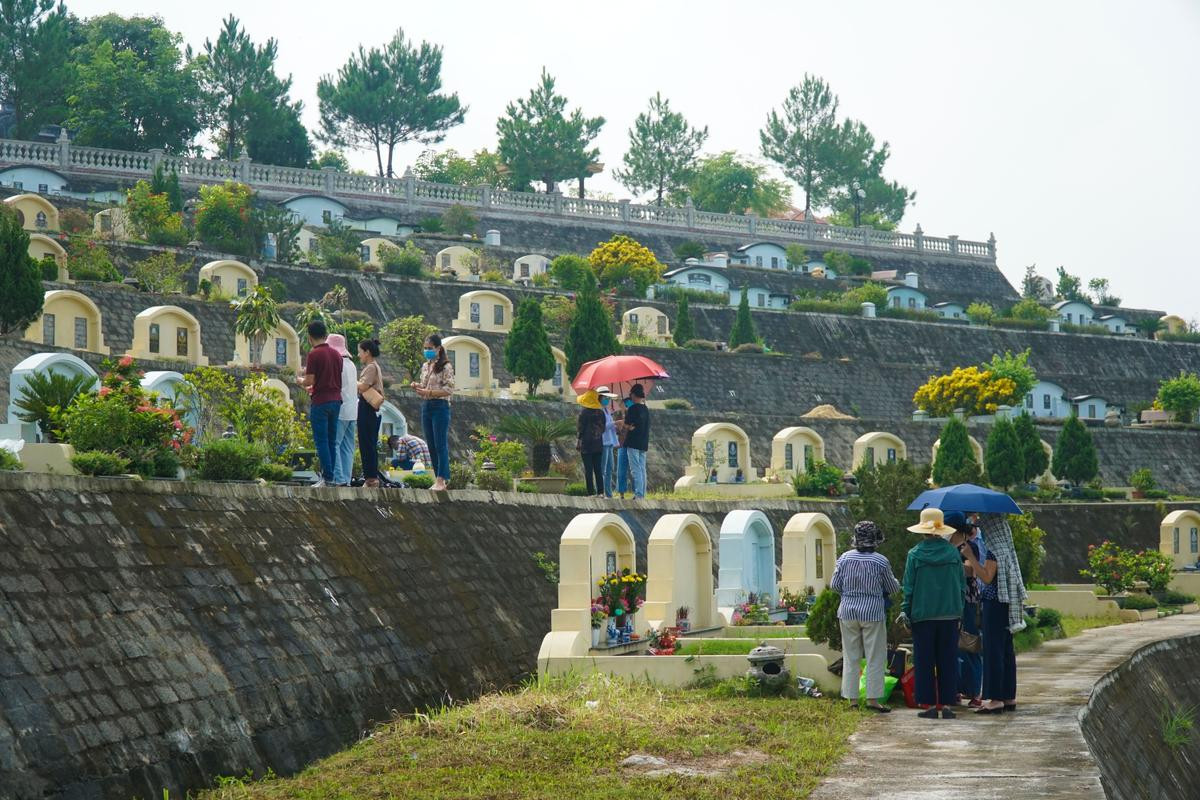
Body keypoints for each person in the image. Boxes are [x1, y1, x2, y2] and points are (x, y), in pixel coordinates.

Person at [899, 508, 965, 719]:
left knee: (924, 661)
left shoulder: (914, 554)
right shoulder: (953, 553)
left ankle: (927, 704)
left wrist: (906, 611)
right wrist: (959, 612)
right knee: (948, 660)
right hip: (949, 615)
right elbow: (961, 586)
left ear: (922, 530)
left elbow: (908, 587)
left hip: (923, 615)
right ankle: (946, 705)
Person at [957, 513, 1025, 714]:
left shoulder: (994, 551)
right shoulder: (1006, 549)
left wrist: (970, 556)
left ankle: (995, 699)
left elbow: (986, 577)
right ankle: (1007, 696)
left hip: (994, 604)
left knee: (993, 651)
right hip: (1004, 604)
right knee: (1005, 650)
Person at [830, 520, 901, 713]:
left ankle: (852, 700)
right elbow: (893, 587)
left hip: (848, 611)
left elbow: (834, 585)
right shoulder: (880, 561)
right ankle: (873, 700)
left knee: (851, 656)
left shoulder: (844, 558)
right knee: (875, 656)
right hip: (872, 612)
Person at [945, 511, 983, 709]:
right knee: (952, 647)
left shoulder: (969, 547)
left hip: (967, 602)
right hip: (950, 601)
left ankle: (975, 691)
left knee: (970, 644)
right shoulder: (945, 547)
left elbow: (971, 571)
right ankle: (956, 689)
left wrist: (949, 564)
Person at [299, 320, 342, 487]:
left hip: (321, 401)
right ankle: (332, 478)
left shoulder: (314, 354)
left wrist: (300, 380)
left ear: (310, 337)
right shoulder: (337, 354)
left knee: (321, 440)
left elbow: (310, 381)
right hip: (336, 400)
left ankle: (327, 477)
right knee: (332, 440)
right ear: (325, 335)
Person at [411, 334, 454, 491]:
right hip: (427, 406)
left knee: (440, 444)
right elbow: (424, 385)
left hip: (440, 406)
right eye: (425, 348)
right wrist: (417, 387)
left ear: (438, 348)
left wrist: (429, 392)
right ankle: (438, 478)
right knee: (431, 445)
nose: (427, 351)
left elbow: (448, 389)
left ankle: (442, 479)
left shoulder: (445, 366)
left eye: (430, 348)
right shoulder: (425, 366)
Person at [325, 334, 357, 487]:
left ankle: (338, 479)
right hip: (353, 411)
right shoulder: (351, 364)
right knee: (348, 447)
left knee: (335, 444)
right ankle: (346, 478)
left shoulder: (337, 364)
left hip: (340, 410)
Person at [356, 338, 385, 488]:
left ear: (367, 352)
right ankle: (371, 477)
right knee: (369, 442)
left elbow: (363, 386)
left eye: (360, 352)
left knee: (366, 442)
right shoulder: (374, 366)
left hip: (367, 406)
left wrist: (352, 381)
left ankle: (371, 478)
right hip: (370, 408)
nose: (359, 355)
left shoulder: (371, 367)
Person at [576, 389, 607, 496]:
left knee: (588, 469)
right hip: (598, 444)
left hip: (586, 445)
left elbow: (580, 429)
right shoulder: (601, 413)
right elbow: (603, 429)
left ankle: (591, 492)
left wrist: (579, 441)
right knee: (598, 469)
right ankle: (601, 492)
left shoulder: (583, 413)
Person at [623, 384, 650, 499]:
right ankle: (642, 493)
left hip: (633, 442)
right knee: (642, 469)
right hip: (643, 443)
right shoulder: (645, 409)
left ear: (633, 395)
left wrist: (627, 425)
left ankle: (638, 494)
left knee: (635, 469)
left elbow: (627, 425)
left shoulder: (632, 409)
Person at [597, 385, 620, 498]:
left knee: (610, 468)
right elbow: (602, 427)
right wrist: (614, 423)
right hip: (603, 442)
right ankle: (601, 492)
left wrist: (615, 426)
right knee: (603, 469)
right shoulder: (599, 411)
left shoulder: (607, 410)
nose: (607, 400)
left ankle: (609, 493)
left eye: (608, 398)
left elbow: (610, 427)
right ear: (600, 398)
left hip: (609, 442)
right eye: (605, 398)